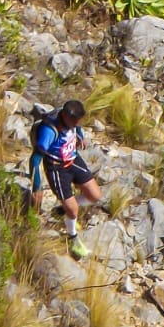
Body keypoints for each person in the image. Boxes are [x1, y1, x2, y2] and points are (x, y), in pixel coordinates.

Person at [29, 99, 102, 258]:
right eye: (74, 121)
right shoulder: (49, 131)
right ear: (66, 117)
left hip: (73, 160)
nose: (77, 124)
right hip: (57, 168)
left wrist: (80, 136)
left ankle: (63, 210)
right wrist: (36, 186)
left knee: (95, 195)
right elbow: (35, 159)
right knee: (74, 209)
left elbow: (78, 127)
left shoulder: (71, 119)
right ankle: (73, 238)